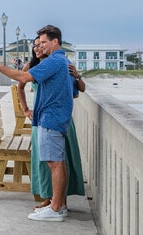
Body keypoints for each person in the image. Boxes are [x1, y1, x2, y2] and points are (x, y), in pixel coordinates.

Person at [0, 24, 75, 222]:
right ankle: (58, 206)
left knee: (55, 164)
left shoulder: (54, 61)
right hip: (54, 118)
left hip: (50, 119)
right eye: (39, 43)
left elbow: (25, 77)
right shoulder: (60, 61)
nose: (40, 46)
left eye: (44, 42)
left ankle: (55, 209)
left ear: (55, 42)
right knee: (57, 162)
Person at [16, 37, 85, 210]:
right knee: (45, 161)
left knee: (62, 160)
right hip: (42, 118)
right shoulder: (33, 67)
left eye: (41, 44)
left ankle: (60, 200)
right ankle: (49, 198)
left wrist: (77, 76)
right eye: (35, 46)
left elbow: (79, 91)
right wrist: (25, 110)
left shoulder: (60, 64)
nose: (38, 48)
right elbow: (20, 86)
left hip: (60, 119)